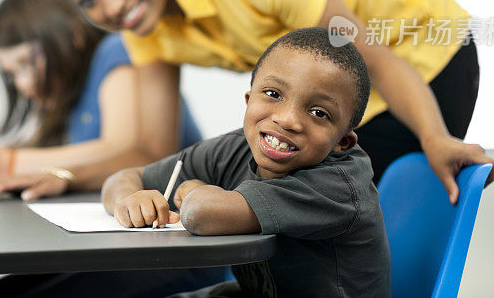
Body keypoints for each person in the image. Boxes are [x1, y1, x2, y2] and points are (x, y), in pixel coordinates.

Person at [47, 0, 494, 203]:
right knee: (284, 208)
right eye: (87, 0)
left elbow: (374, 57)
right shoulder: (144, 26)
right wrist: (64, 176)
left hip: (419, 55)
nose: (110, 5)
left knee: (316, 215)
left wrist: (435, 137)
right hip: (337, 88)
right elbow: (155, 151)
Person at [103, 28, 391, 298]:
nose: (287, 120)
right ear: (248, 98)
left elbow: (200, 214)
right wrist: (129, 202)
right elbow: (122, 178)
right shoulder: (239, 146)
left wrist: (192, 189)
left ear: (343, 141)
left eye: (318, 113)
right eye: (273, 94)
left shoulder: (338, 184)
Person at [0, 0, 202, 202]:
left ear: (72, 36)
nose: (23, 85)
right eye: (12, 75)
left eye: (26, 64)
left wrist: (8, 162)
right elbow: (54, 154)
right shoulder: (67, 94)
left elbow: (123, 146)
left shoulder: (116, 49)